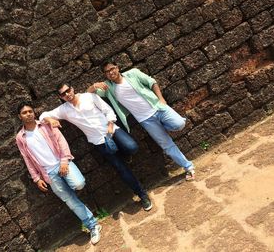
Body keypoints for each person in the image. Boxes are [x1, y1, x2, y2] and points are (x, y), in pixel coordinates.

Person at [39, 83, 153, 211]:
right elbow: (42, 116)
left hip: (111, 131)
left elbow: (107, 110)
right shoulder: (64, 110)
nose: (67, 95)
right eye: (63, 94)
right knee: (121, 168)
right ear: (60, 97)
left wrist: (110, 124)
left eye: (68, 91)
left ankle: (124, 155)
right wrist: (50, 120)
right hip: (98, 141)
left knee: (132, 147)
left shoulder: (89, 97)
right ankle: (142, 194)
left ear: (72, 88)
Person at [87, 59, 195, 181]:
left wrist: (161, 99)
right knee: (166, 145)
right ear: (105, 75)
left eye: (112, 69)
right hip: (145, 120)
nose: (111, 72)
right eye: (107, 72)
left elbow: (151, 82)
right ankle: (188, 167)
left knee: (179, 124)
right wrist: (94, 86)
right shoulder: (108, 88)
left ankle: (163, 127)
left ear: (117, 67)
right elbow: (88, 95)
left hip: (158, 107)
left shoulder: (133, 73)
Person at [15, 101, 101, 245]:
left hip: (63, 163)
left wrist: (64, 161)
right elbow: (27, 159)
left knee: (79, 184)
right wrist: (36, 178)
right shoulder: (20, 137)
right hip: (48, 174)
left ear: (34, 112)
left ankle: (75, 198)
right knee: (71, 202)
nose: (28, 114)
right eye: (24, 112)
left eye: (30, 111)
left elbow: (61, 141)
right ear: (20, 116)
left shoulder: (45, 124)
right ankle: (93, 225)